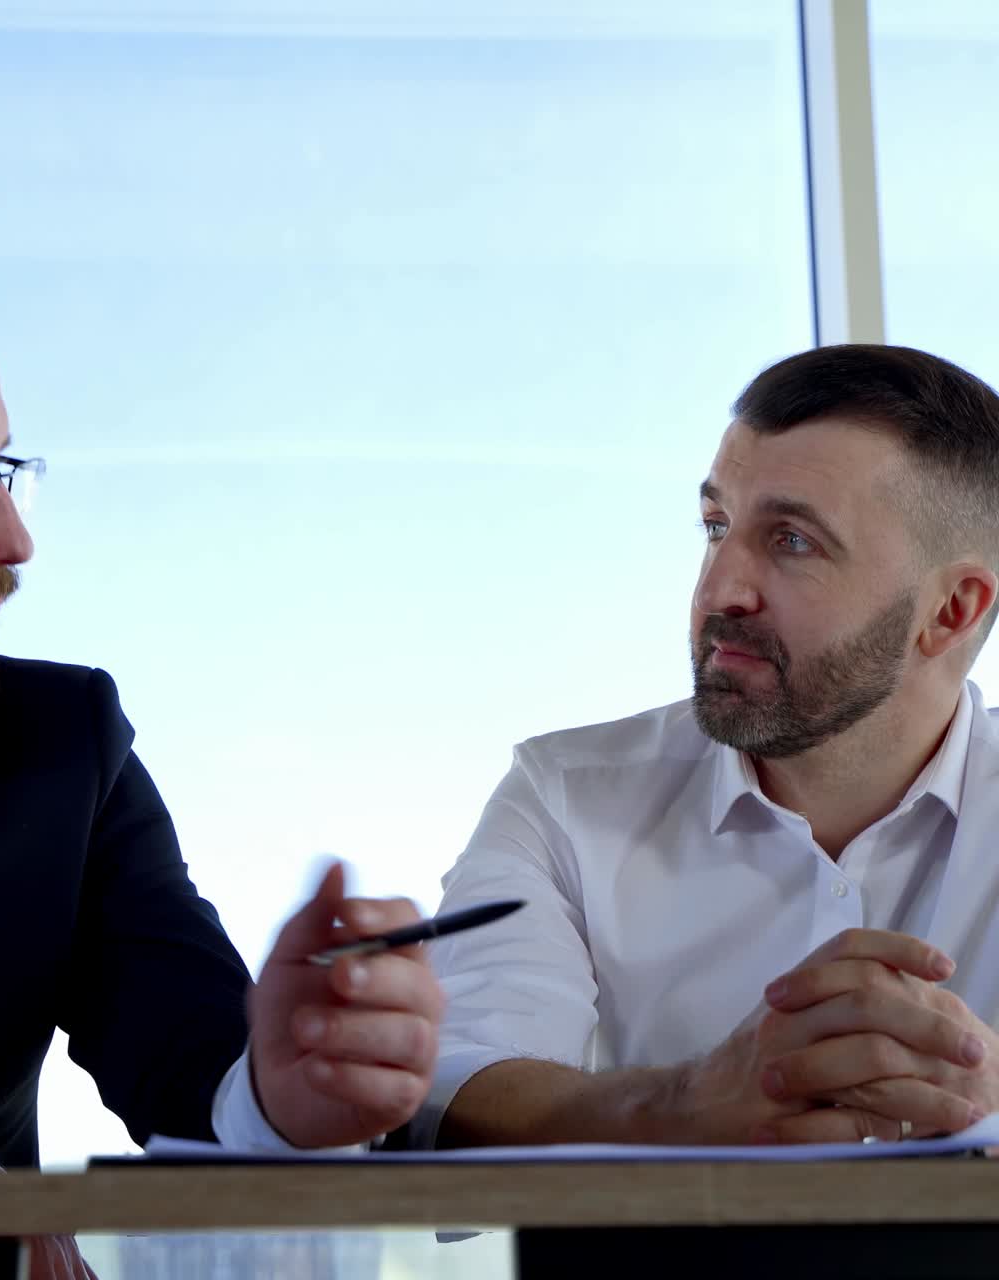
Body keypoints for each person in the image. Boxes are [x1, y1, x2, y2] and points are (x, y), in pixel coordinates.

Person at [0, 247, 443, 1168]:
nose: (13, 541)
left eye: (3, 473)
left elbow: (192, 1057)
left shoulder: (55, 746)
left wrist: (283, 1092)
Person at [411, 343, 999, 1150]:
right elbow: (447, 1093)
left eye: (792, 540)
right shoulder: (565, 800)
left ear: (953, 611)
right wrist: (681, 1104)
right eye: (716, 525)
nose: (720, 590)